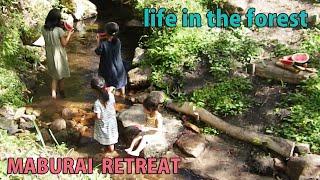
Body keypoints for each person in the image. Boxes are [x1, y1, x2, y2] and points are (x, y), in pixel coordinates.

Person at [42, 9, 73, 99]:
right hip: (59, 55)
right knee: (61, 76)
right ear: (57, 19)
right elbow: (64, 44)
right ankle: (61, 94)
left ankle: (54, 97)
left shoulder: (43, 28)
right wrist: (69, 34)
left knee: (54, 76)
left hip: (49, 54)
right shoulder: (59, 30)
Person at [95, 22, 127, 98]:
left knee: (107, 85)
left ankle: (109, 100)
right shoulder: (118, 41)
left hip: (107, 69)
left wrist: (98, 40)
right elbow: (111, 40)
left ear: (106, 32)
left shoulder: (103, 44)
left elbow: (97, 52)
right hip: (119, 68)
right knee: (121, 83)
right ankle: (123, 95)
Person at [91, 77, 118, 153]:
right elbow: (114, 106)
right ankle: (111, 150)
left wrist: (93, 117)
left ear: (94, 90)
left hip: (103, 123)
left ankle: (109, 151)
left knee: (105, 136)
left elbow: (98, 116)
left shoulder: (97, 103)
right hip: (112, 121)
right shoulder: (111, 95)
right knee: (111, 137)